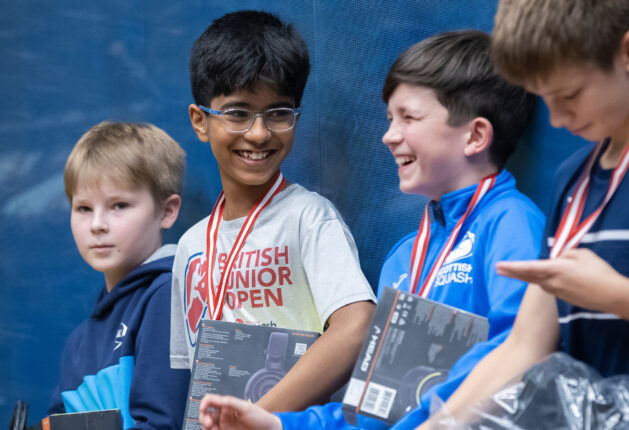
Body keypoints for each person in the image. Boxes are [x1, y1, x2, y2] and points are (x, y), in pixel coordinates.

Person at [426, 1, 629, 429]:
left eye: (570, 95)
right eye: (545, 101)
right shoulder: (572, 180)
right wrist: (438, 424)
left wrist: (619, 296)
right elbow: (526, 344)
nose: (558, 119)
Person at [198, 29, 544, 430]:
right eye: (389, 119)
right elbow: (370, 411)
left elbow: (519, 350)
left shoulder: (511, 223)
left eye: (408, 118)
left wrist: (441, 421)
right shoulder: (403, 258)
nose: (389, 135)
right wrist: (278, 425)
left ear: (475, 135)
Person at [168, 10, 376, 413]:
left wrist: (257, 418)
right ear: (200, 121)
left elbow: (356, 327)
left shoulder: (310, 218)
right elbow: (189, 377)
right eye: (238, 113)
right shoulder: (191, 247)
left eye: (278, 113)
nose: (260, 132)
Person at [48, 121, 190, 430]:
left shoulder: (167, 295)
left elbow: (161, 424)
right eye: (83, 208)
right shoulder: (79, 342)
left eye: (119, 205)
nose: (97, 224)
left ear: (167, 211)